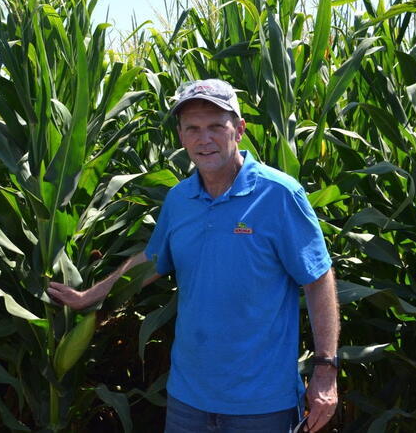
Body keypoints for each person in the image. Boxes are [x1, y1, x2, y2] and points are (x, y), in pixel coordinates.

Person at [48, 79, 339, 432]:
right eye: (193, 129)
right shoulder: (179, 199)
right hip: (188, 399)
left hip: (261, 404)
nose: (205, 139)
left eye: (217, 126)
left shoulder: (278, 195)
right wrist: (92, 294)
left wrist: (325, 370)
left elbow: (318, 279)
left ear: (240, 129)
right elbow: (153, 259)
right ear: (181, 137)